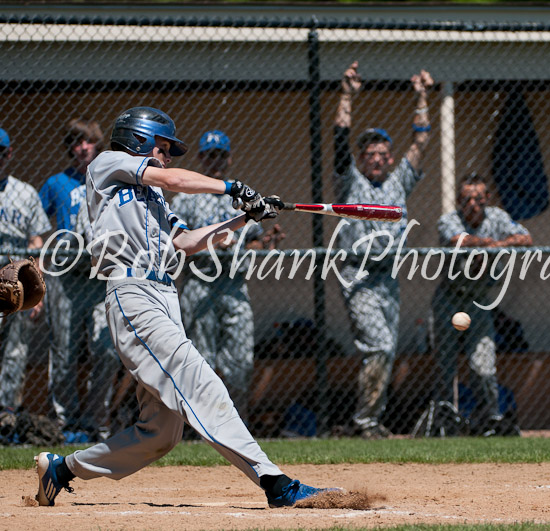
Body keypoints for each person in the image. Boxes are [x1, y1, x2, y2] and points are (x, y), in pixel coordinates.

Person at [35, 107, 337, 508]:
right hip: (132, 291)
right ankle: (275, 483)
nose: (170, 155)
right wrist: (231, 186)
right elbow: (174, 178)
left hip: (164, 295)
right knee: (200, 381)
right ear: (140, 139)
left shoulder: (153, 195)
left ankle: (62, 469)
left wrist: (243, 219)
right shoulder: (107, 164)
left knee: (160, 434)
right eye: (165, 146)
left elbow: (187, 241)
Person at [332, 60, 434, 438]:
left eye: (382, 152)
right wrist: (346, 96)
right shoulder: (349, 183)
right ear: (362, 159)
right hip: (356, 273)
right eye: (369, 153)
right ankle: (366, 421)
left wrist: (422, 96)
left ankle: (370, 419)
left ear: (390, 158)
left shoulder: (398, 183)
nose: (376, 157)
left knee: (385, 351)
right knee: (379, 345)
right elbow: (340, 139)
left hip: (388, 276)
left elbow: (421, 141)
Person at [171, 130, 284, 425]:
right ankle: (203, 427)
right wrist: (213, 242)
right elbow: (176, 244)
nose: (216, 161)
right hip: (199, 283)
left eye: (221, 155)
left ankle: (237, 425)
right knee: (201, 361)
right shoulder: (186, 198)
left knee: (240, 362)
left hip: (234, 286)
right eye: (210, 156)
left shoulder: (242, 196)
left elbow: (255, 241)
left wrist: (264, 244)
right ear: (201, 159)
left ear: (229, 158)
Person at [432, 173, 532, 436]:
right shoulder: (450, 219)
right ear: (458, 201)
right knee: (445, 365)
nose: (473, 204)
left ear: (487, 199)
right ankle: (445, 422)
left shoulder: (497, 217)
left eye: (478, 198)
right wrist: (485, 244)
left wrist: (497, 244)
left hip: (479, 301)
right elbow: (456, 240)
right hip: (450, 298)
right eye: (466, 199)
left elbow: (525, 238)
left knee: (484, 365)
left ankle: (491, 419)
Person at [39, 118, 119, 443]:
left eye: (87, 142)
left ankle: (96, 423)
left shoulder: (109, 182)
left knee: (107, 350)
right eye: (75, 142)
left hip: (99, 279)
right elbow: (36, 230)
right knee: (63, 352)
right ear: (69, 148)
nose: (82, 147)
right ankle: (65, 424)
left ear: (97, 146)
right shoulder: (56, 183)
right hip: (65, 280)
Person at [0, 127, 51, 413]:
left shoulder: (25, 193)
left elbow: (35, 241)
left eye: (0, 152)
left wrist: (37, 288)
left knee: (16, 350)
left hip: (15, 283)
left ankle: (6, 413)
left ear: (8, 154)